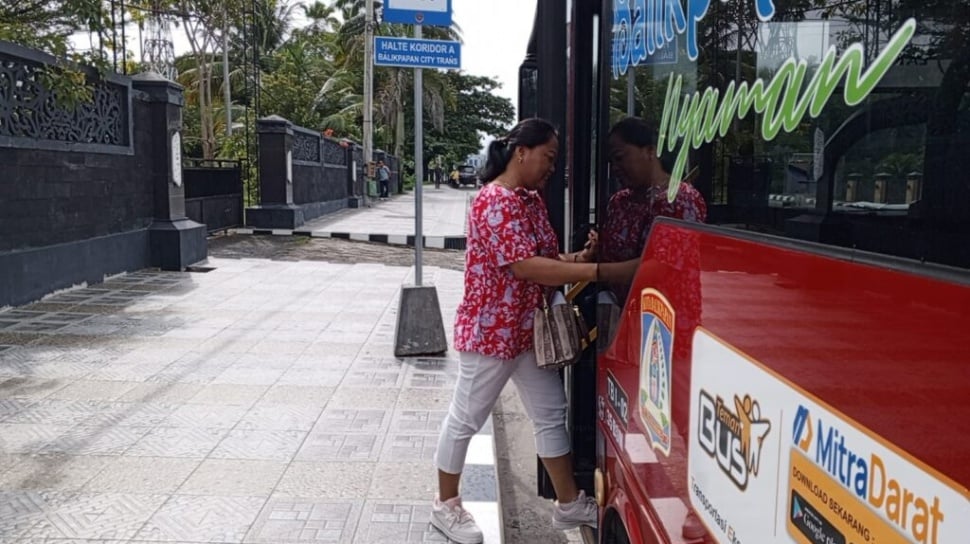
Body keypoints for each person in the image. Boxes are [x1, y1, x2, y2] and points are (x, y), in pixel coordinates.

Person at [431, 118, 602, 543]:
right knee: (465, 418)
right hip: (491, 333)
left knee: (549, 412)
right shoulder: (494, 200)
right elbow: (524, 266)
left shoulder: (528, 200)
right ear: (521, 152)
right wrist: (601, 270)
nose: (551, 168)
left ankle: (568, 505)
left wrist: (579, 258)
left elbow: (544, 256)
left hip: (528, 332)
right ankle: (446, 506)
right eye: (549, 158)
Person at [597, 116, 708, 541]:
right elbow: (613, 247)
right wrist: (596, 254)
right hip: (626, 320)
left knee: (682, 414)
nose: (617, 168)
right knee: (638, 408)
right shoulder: (621, 200)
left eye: (622, 157)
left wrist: (596, 269)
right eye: (611, 161)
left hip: (671, 321)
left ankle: (700, 503)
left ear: (649, 151)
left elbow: (659, 267)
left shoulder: (681, 199)